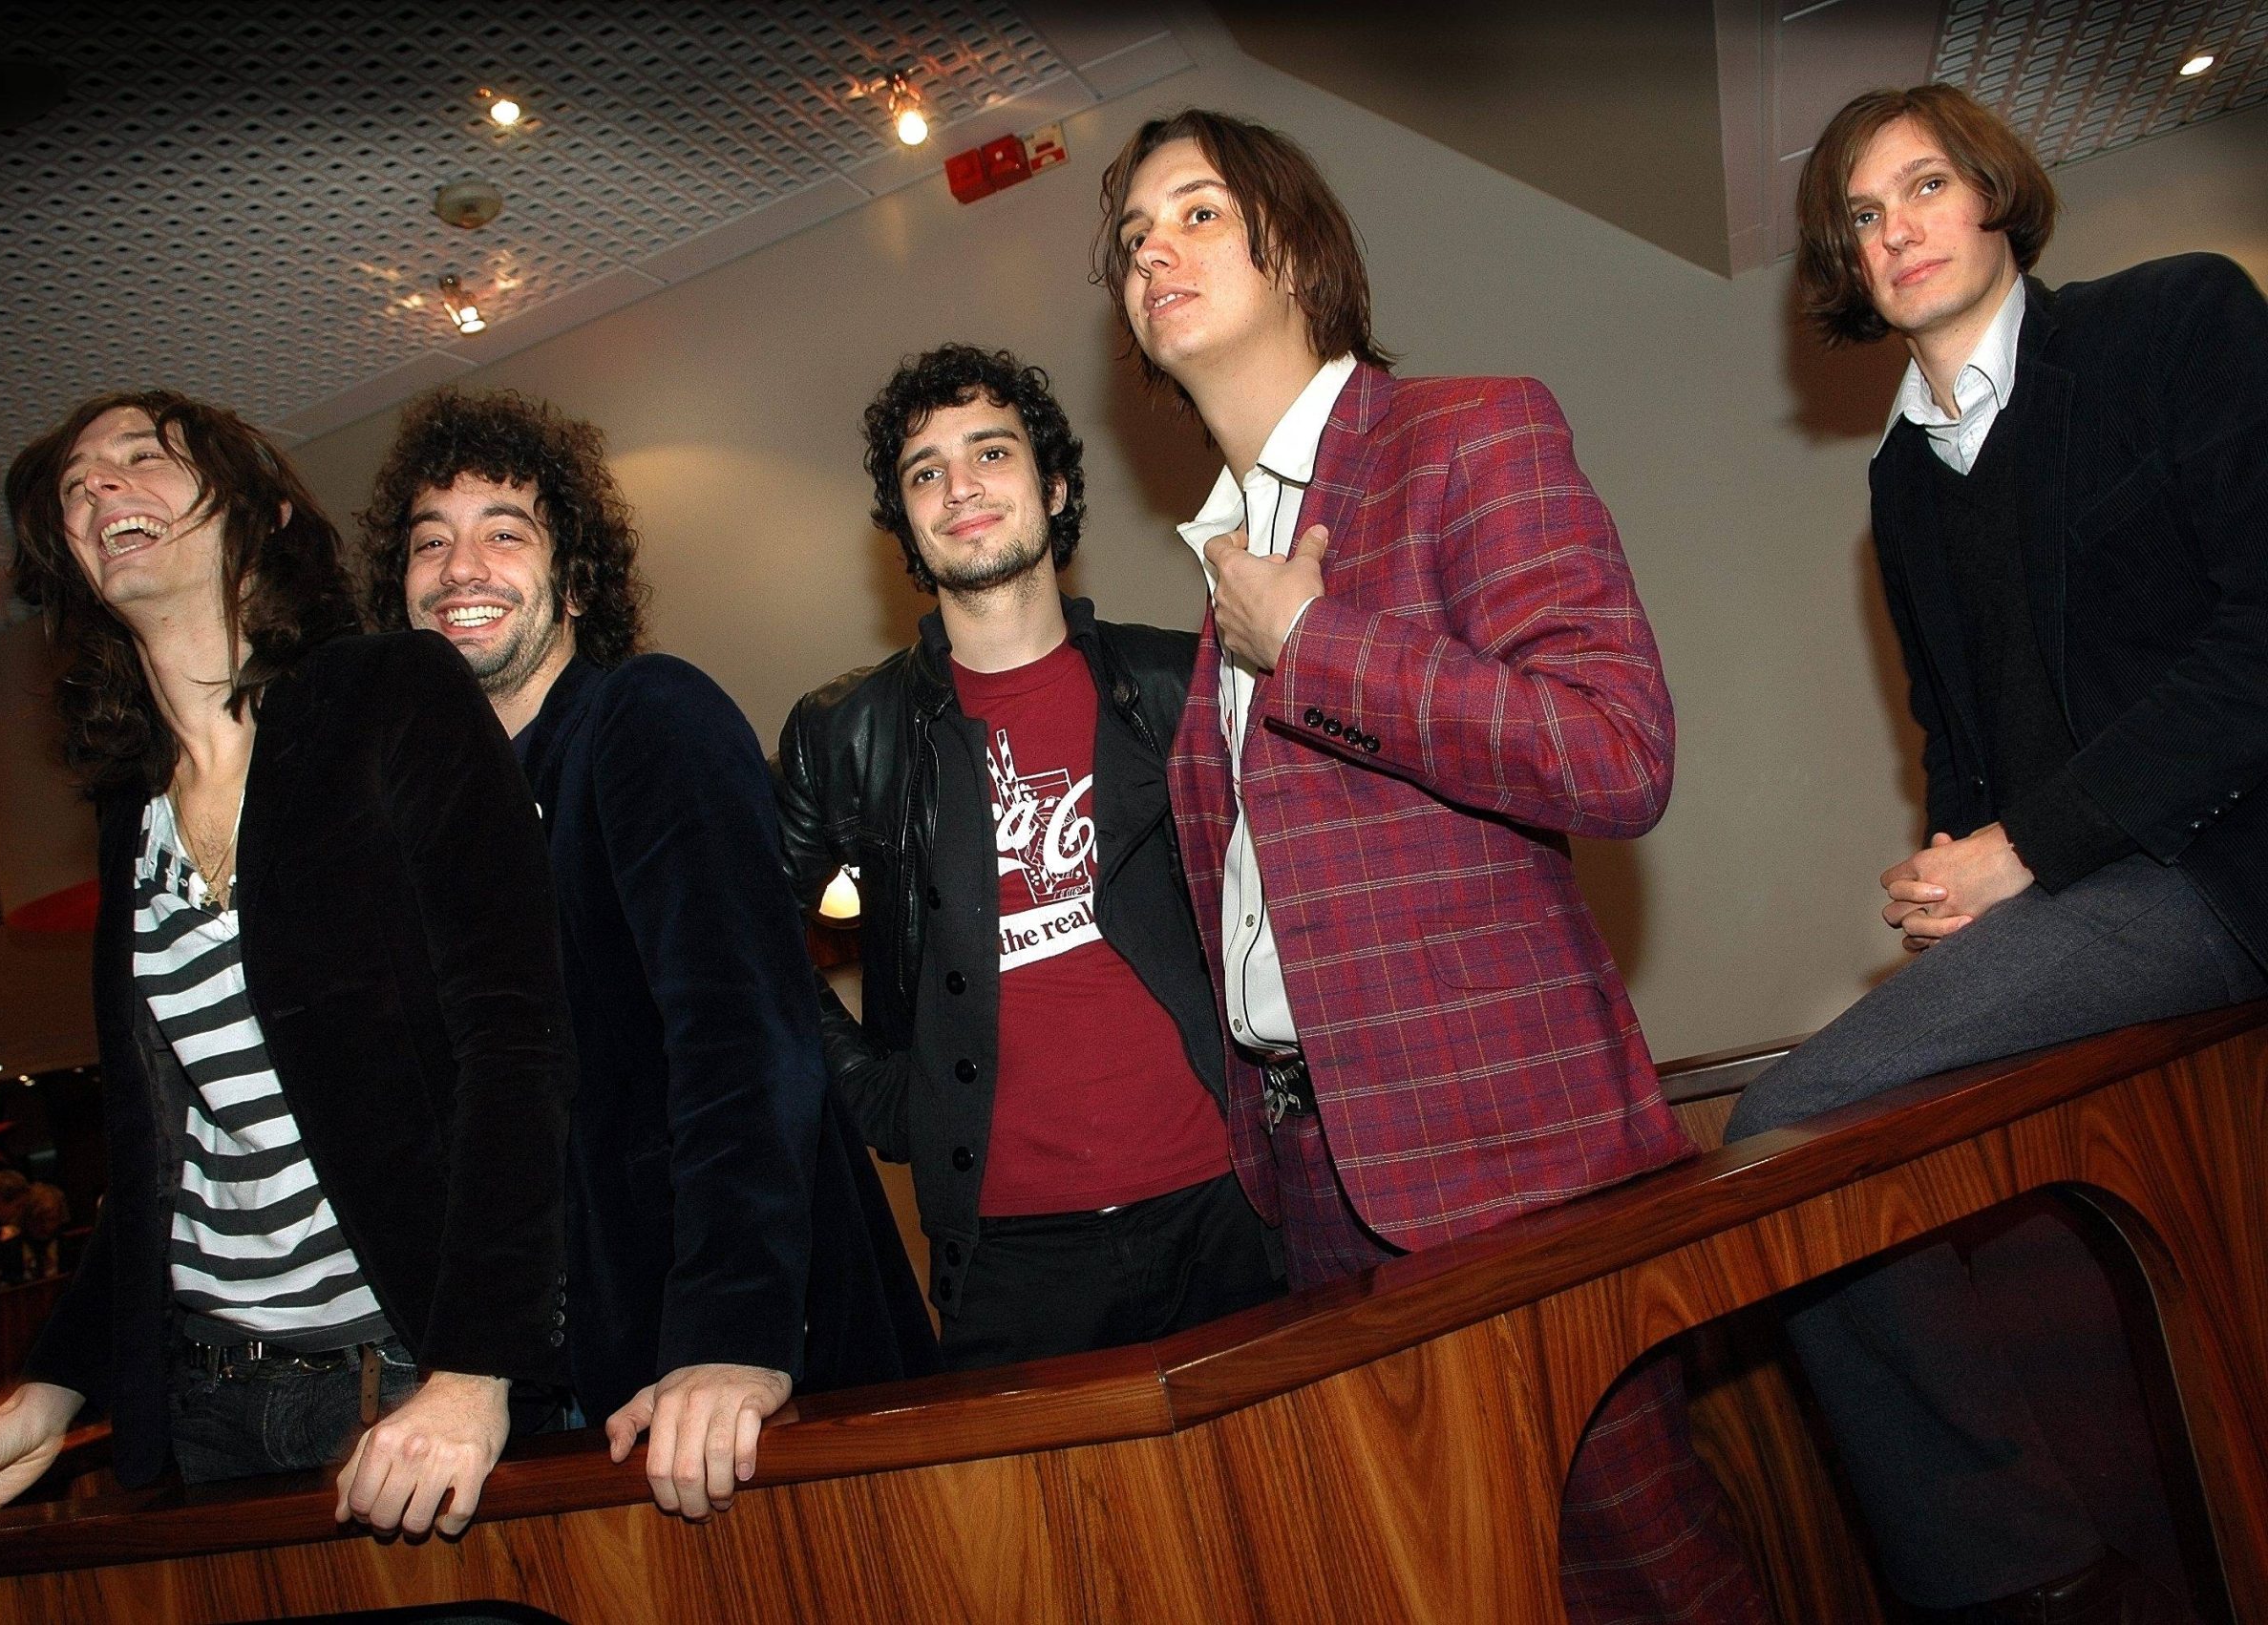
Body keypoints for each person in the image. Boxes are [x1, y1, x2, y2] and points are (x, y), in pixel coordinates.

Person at [1097, 110, 1767, 1623]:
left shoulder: (1466, 432)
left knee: (1655, 1585)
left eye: (1195, 212)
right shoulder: (1225, 565)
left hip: (1510, 1171)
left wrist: (1315, 642)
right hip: (1314, 1194)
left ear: (1297, 248)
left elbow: (1616, 751)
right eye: (1133, 237)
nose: (1151, 252)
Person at [1723, 83, 2268, 1620]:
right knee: (1807, 1136)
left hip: (2223, 867)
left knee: (1780, 1122)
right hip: (2082, 884)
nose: (1895, 228)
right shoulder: (1899, 482)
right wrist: (1948, 859)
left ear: (1995, 194)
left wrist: (2020, 849)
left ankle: (2017, 1577)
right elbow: (1955, 741)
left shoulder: (2172, 319)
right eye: (1861, 212)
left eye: (1924, 186)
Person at [0, 390, 575, 1560]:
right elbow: (163, 1150)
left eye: (142, 457)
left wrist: (474, 1368)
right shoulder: (130, 811)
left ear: (258, 512)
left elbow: (517, 1043)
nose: (101, 488)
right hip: (208, 1394)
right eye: (76, 487)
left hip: (408, 1378)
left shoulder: (391, 693)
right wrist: (48, 1392)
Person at [360, 387, 934, 1522]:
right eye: (430, 542)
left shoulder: (643, 717)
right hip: (549, 1386)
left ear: (575, 582)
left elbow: (744, 1035)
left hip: (719, 1371)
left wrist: (729, 1332)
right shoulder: (423, 822)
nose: (460, 566)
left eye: (503, 533)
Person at [776, 344, 1283, 1369]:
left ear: (1052, 487)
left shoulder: (1179, 682)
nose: (959, 487)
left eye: (991, 452)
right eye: (925, 471)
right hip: (1006, 1258)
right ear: (905, 520)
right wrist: (877, 1090)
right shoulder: (847, 735)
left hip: (1228, 1209)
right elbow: (739, 933)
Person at [11, 1183, 73, 1282]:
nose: (46, 1226)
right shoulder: (9, 1250)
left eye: (52, 1219)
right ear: (25, 1218)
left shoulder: (70, 1247)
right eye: (38, 1220)